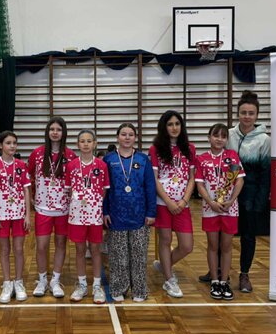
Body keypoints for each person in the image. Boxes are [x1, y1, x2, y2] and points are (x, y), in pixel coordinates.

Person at [103, 123, 156, 302]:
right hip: (116, 215)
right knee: (118, 256)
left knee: (139, 255)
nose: (127, 138)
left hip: (139, 215)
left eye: (130, 134)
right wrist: (105, 211)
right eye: (123, 134)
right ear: (117, 137)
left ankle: (139, 290)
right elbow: (104, 189)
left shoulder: (143, 159)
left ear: (135, 138)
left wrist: (151, 213)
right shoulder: (109, 159)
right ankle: (118, 287)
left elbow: (150, 187)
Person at [28, 116, 77, 298]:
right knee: (41, 246)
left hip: (64, 209)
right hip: (43, 208)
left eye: (59, 129)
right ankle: (42, 280)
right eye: (52, 129)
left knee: (60, 244)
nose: (55, 132)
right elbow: (28, 177)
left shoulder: (70, 155)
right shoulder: (37, 154)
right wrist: (31, 197)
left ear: (64, 133)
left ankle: (55, 280)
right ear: (47, 132)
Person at [195, 124, 245, 301]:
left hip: (230, 209)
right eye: (216, 135)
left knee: (226, 246)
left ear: (226, 140)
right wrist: (210, 202)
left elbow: (239, 180)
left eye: (223, 136)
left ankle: (224, 281)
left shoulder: (232, 156)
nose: (219, 139)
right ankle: (215, 281)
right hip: (210, 209)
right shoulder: (202, 159)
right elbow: (200, 184)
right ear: (209, 137)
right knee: (213, 245)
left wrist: (231, 200)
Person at [150, 110, 196, 299]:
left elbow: (192, 178)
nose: (174, 127)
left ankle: (164, 265)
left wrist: (184, 200)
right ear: (164, 127)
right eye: (170, 124)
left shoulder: (189, 148)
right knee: (165, 240)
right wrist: (168, 201)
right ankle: (169, 279)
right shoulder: (155, 149)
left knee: (187, 246)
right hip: (163, 203)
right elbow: (154, 178)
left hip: (182, 204)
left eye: (177, 124)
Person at [229, 91, 270, 293]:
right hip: (227, 195)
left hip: (251, 197)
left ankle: (244, 274)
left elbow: (266, 173)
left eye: (251, 113)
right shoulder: (228, 134)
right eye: (243, 112)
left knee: (248, 236)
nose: (247, 116)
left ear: (257, 115)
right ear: (238, 113)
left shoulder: (264, 140)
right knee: (223, 234)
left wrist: (260, 202)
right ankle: (217, 270)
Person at [0, 131, 32, 304]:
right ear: (0, 145)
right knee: (4, 249)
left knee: (19, 249)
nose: (12, 146)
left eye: (14, 143)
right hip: (1, 214)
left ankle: (18, 282)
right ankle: (7, 283)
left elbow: (26, 190)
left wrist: (28, 215)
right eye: (8, 143)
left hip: (19, 213)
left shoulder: (21, 165)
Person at [65, 130, 109, 304]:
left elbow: (105, 190)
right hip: (77, 216)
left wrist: (94, 204)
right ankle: (82, 285)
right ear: (77, 144)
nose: (85, 144)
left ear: (95, 143)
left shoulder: (101, 165)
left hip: (95, 215)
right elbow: (69, 190)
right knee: (80, 250)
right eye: (82, 141)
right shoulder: (71, 166)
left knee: (96, 249)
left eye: (89, 141)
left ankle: (97, 286)